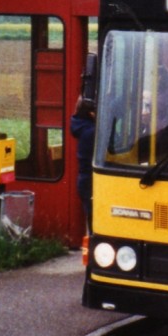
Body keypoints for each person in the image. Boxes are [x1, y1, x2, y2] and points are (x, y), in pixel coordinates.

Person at [70, 95, 97, 233]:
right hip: (90, 180)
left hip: (84, 179)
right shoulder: (92, 132)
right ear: (91, 114)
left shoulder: (82, 127)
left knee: (91, 215)